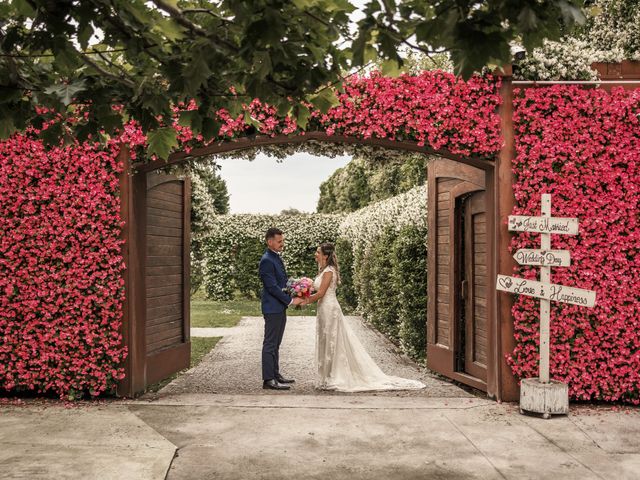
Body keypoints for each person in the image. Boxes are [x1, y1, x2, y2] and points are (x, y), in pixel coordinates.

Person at [302, 243, 426, 392]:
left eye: (318, 252)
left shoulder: (329, 271)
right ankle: (327, 374)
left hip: (329, 308)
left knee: (332, 340)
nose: (315, 254)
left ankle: (335, 375)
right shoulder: (323, 270)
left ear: (325, 255)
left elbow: (321, 293)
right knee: (325, 339)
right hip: (323, 308)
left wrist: (305, 300)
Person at [259, 227, 302, 390]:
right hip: (272, 308)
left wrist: (297, 287)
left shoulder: (275, 257)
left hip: (278, 307)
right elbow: (272, 287)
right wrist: (291, 300)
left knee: (276, 343)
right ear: (269, 242)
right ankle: (268, 380)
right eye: (279, 241)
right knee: (270, 343)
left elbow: (282, 281)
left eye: (282, 241)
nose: (282, 244)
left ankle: (275, 375)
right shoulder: (266, 260)